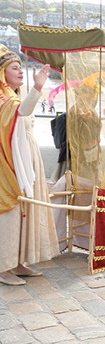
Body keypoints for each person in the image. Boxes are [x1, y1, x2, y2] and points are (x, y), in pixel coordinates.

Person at [0, 46, 59, 286]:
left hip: (25, 160)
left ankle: (18, 262)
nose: (20, 71)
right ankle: (3, 266)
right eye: (14, 68)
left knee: (25, 211)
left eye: (19, 67)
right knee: (11, 212)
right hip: (8, 165)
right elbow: (21, 111)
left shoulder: (12, 98)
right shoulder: (5, 100)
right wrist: (37, 87)